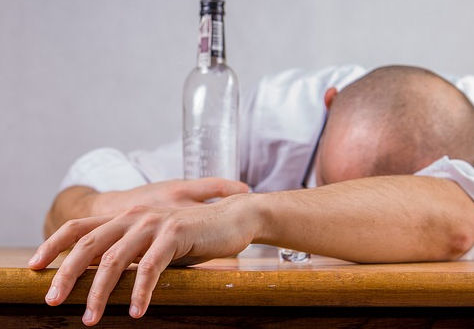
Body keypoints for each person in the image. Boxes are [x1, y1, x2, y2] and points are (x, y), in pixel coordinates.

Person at [30, 65, 474, 326]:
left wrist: (243, 216)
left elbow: (454, 224)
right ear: (329, 102)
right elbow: (79, 190)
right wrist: (103, 206)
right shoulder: (279, 116)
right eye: (321, 183)